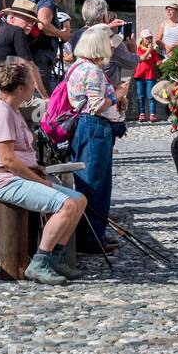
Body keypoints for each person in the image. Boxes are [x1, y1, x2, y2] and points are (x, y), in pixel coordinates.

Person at [0, 61, 88, 284]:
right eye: (31, 83)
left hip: (17, 175)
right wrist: (38, 180)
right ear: (19, 88)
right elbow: (7, 159)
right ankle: (39, 262)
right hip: (5, 180)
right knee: (67, 205)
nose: (35, 87)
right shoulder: (1, 112)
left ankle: (55, 258)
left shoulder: (11, 110)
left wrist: (38, 171)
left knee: (79, 200)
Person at [68, 27, 125, 257]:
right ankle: (91, 241)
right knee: (96, 185)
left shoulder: (76, 67)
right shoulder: (92, 71)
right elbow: (96, 105)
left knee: (89, 183)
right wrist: (117, 95)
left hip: (85, 126)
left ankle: (92, 236)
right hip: (93, 126)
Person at [68, 0, 139, 90]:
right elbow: (131, 63)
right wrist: (133, 50)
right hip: (104, 91)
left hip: (79, 88)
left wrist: (107, 27)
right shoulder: (111, 39)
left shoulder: (76, 35)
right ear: (104, 17)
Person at [0, 0, 48, 97]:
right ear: (12, 18)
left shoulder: (2, 29)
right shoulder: (17, 31)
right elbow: (30, 66)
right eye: (27, 19)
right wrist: (45, 96)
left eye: (33, 21)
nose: (31, 24)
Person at [30, 0, 71, 92]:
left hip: (35, 53)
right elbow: (43, 24)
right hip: (41, 55)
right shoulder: (48, 0)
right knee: (43, 96)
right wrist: (62, 34)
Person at [133, 29, 161, 123]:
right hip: (140, 76)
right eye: (147, 38)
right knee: (141, 96)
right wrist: (149, 50)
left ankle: (152, 114)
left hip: (150, 76)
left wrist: (163, 62)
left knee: (151, 96)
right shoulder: (139, 49)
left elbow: (157, 62)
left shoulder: (153, 51)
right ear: (142, 39)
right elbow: (143, 58)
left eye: (150, 38)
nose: (149, 40)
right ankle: (142, 114)